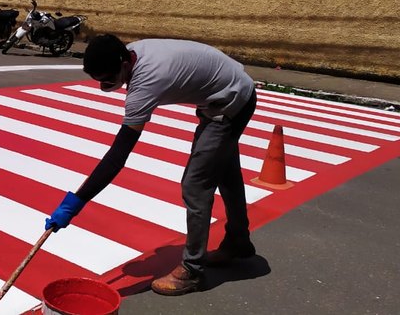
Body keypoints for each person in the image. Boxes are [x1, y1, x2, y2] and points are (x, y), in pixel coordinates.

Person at [45, 34, 258, 296]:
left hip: (230, 102)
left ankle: (192, 270)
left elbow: (118, 156)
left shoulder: (146, 82)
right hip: (225, 92)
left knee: (195, 185)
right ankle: (238, 241)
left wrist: (76, 202)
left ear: (124, 64)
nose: (107, 85)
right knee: (226, 174)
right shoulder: (132, 53)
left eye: (109, 79)